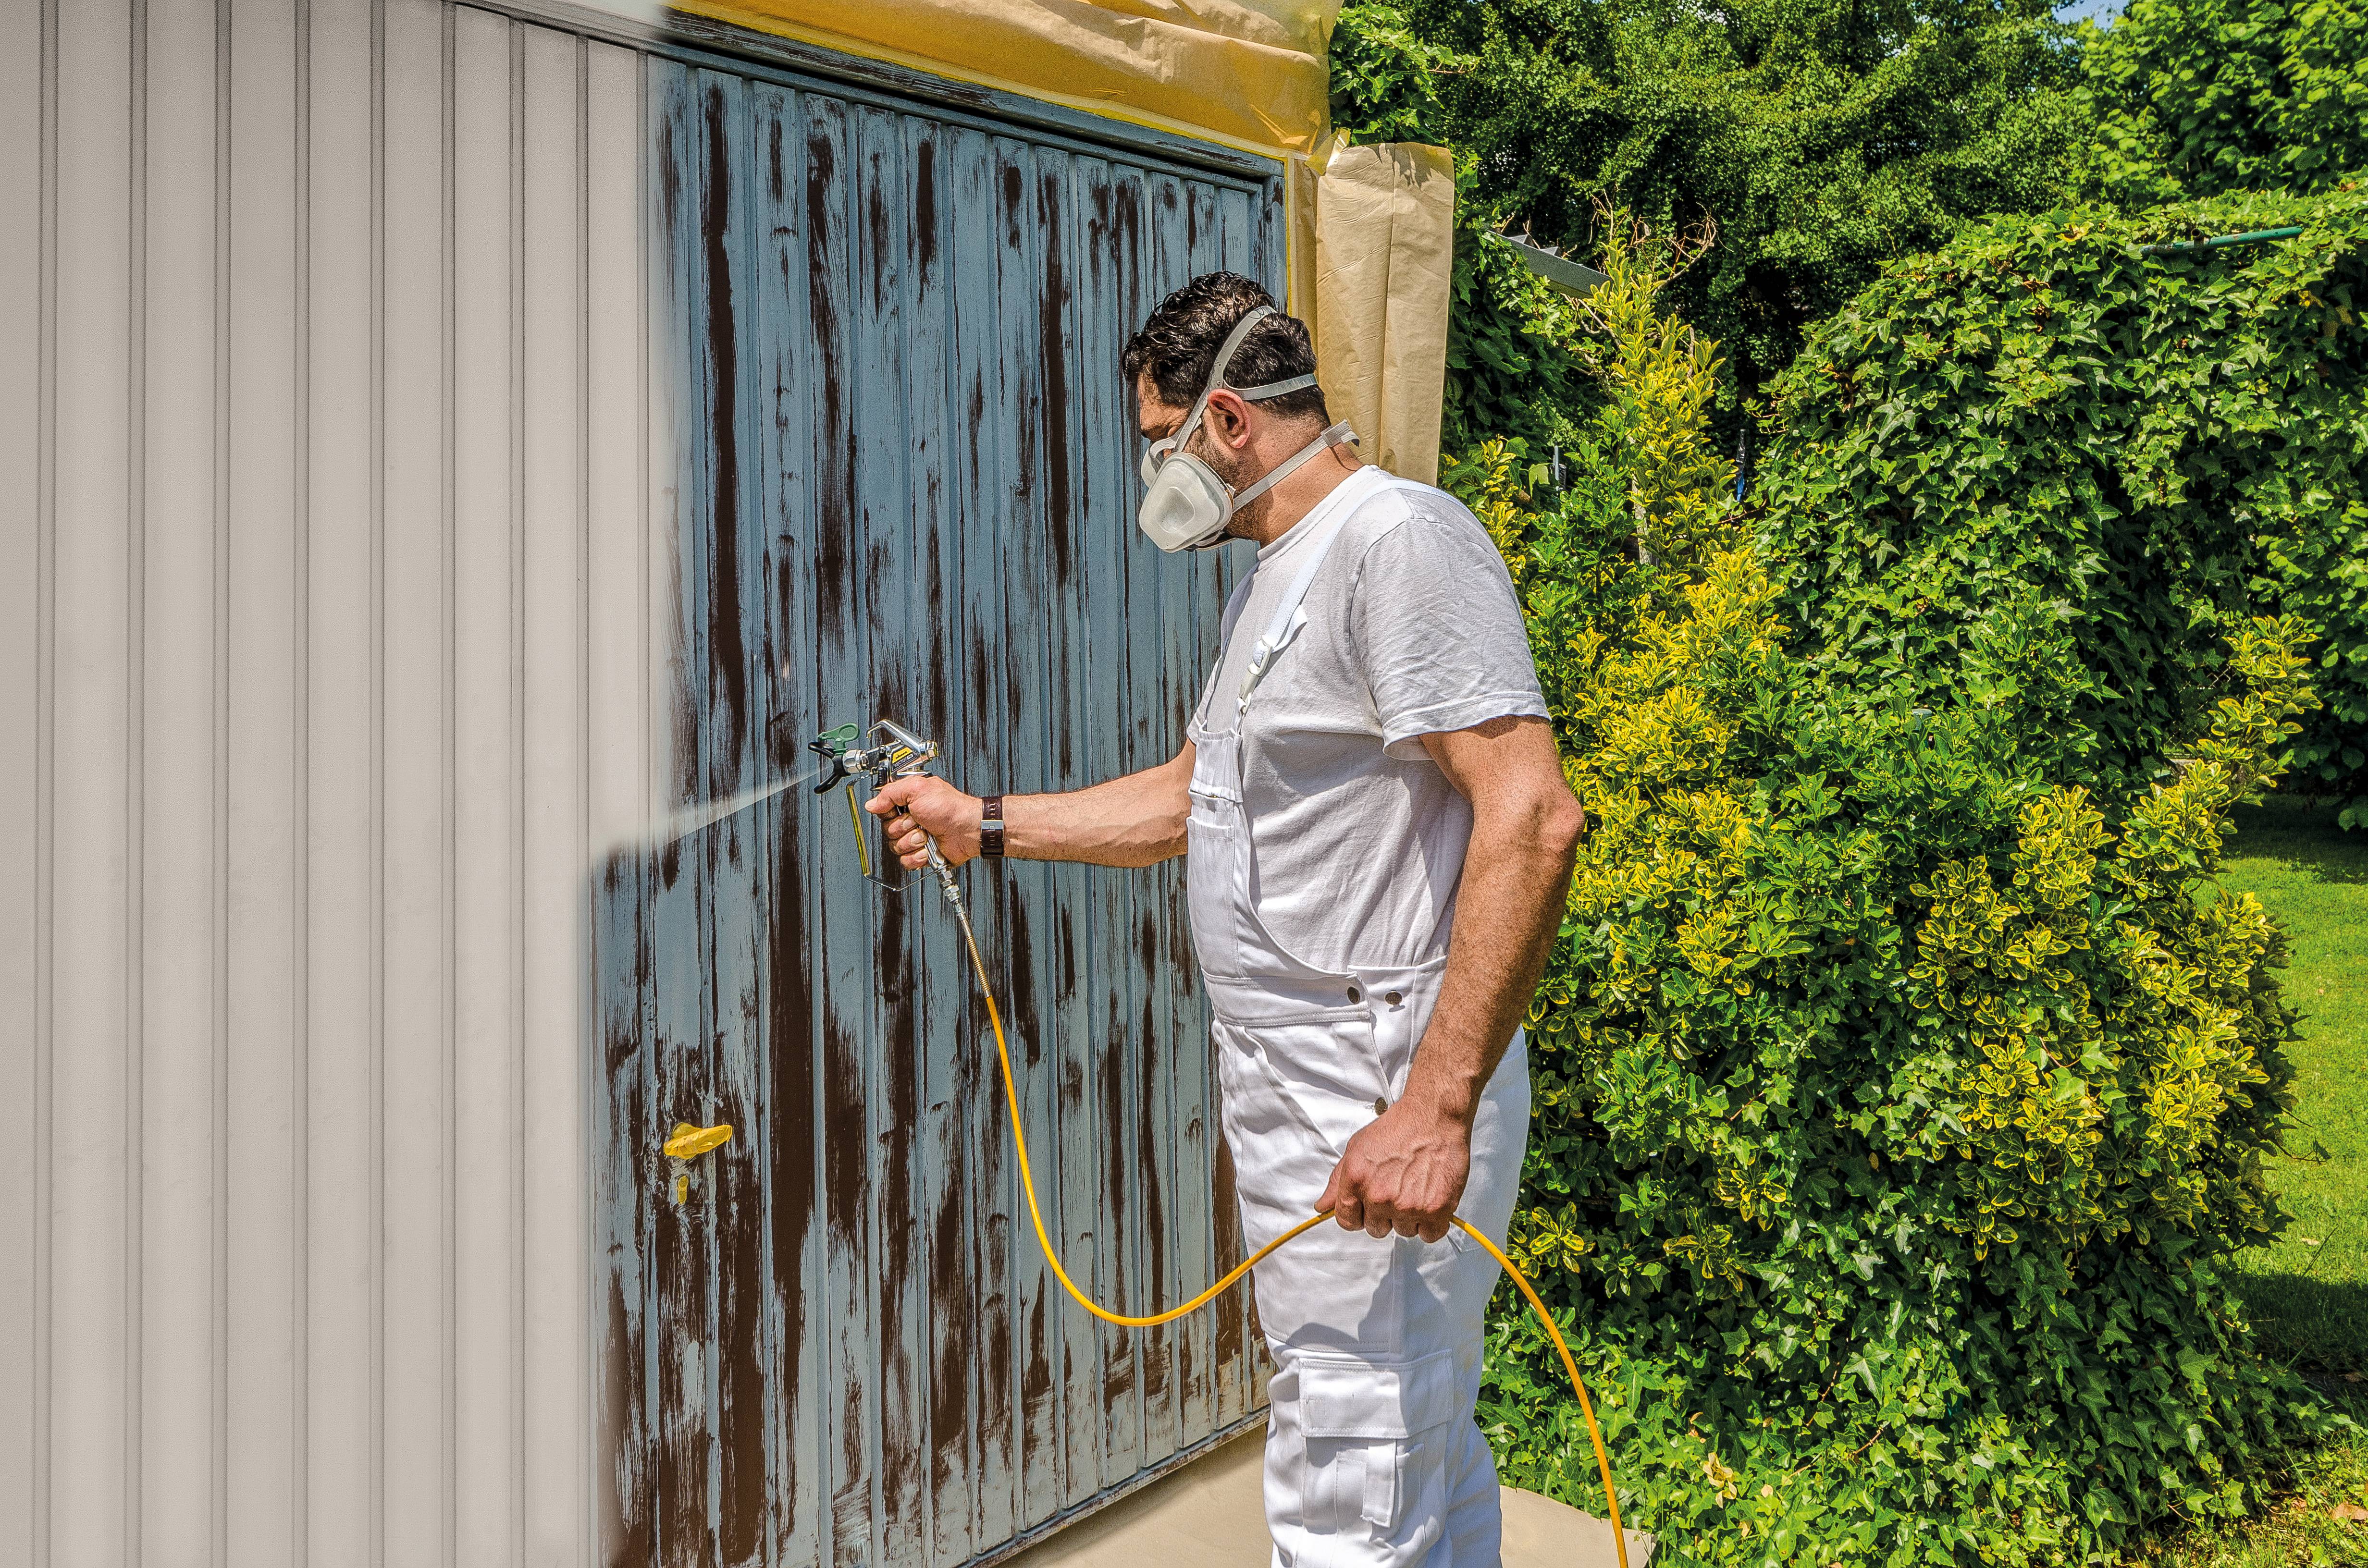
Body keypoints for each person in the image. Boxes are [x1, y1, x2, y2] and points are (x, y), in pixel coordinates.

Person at [867, 272, 1585, 1567]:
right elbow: (1194, 799)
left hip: (1373, 1076)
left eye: (1162, 444)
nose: (1158, 477)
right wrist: (990, 821)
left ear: (1232, 423)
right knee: (1410, 1450)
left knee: (1354, 1476)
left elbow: (1531, 816)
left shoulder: (1397, 542)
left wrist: (1433, 1105)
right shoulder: (1280, 575)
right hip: (1302, 1077)